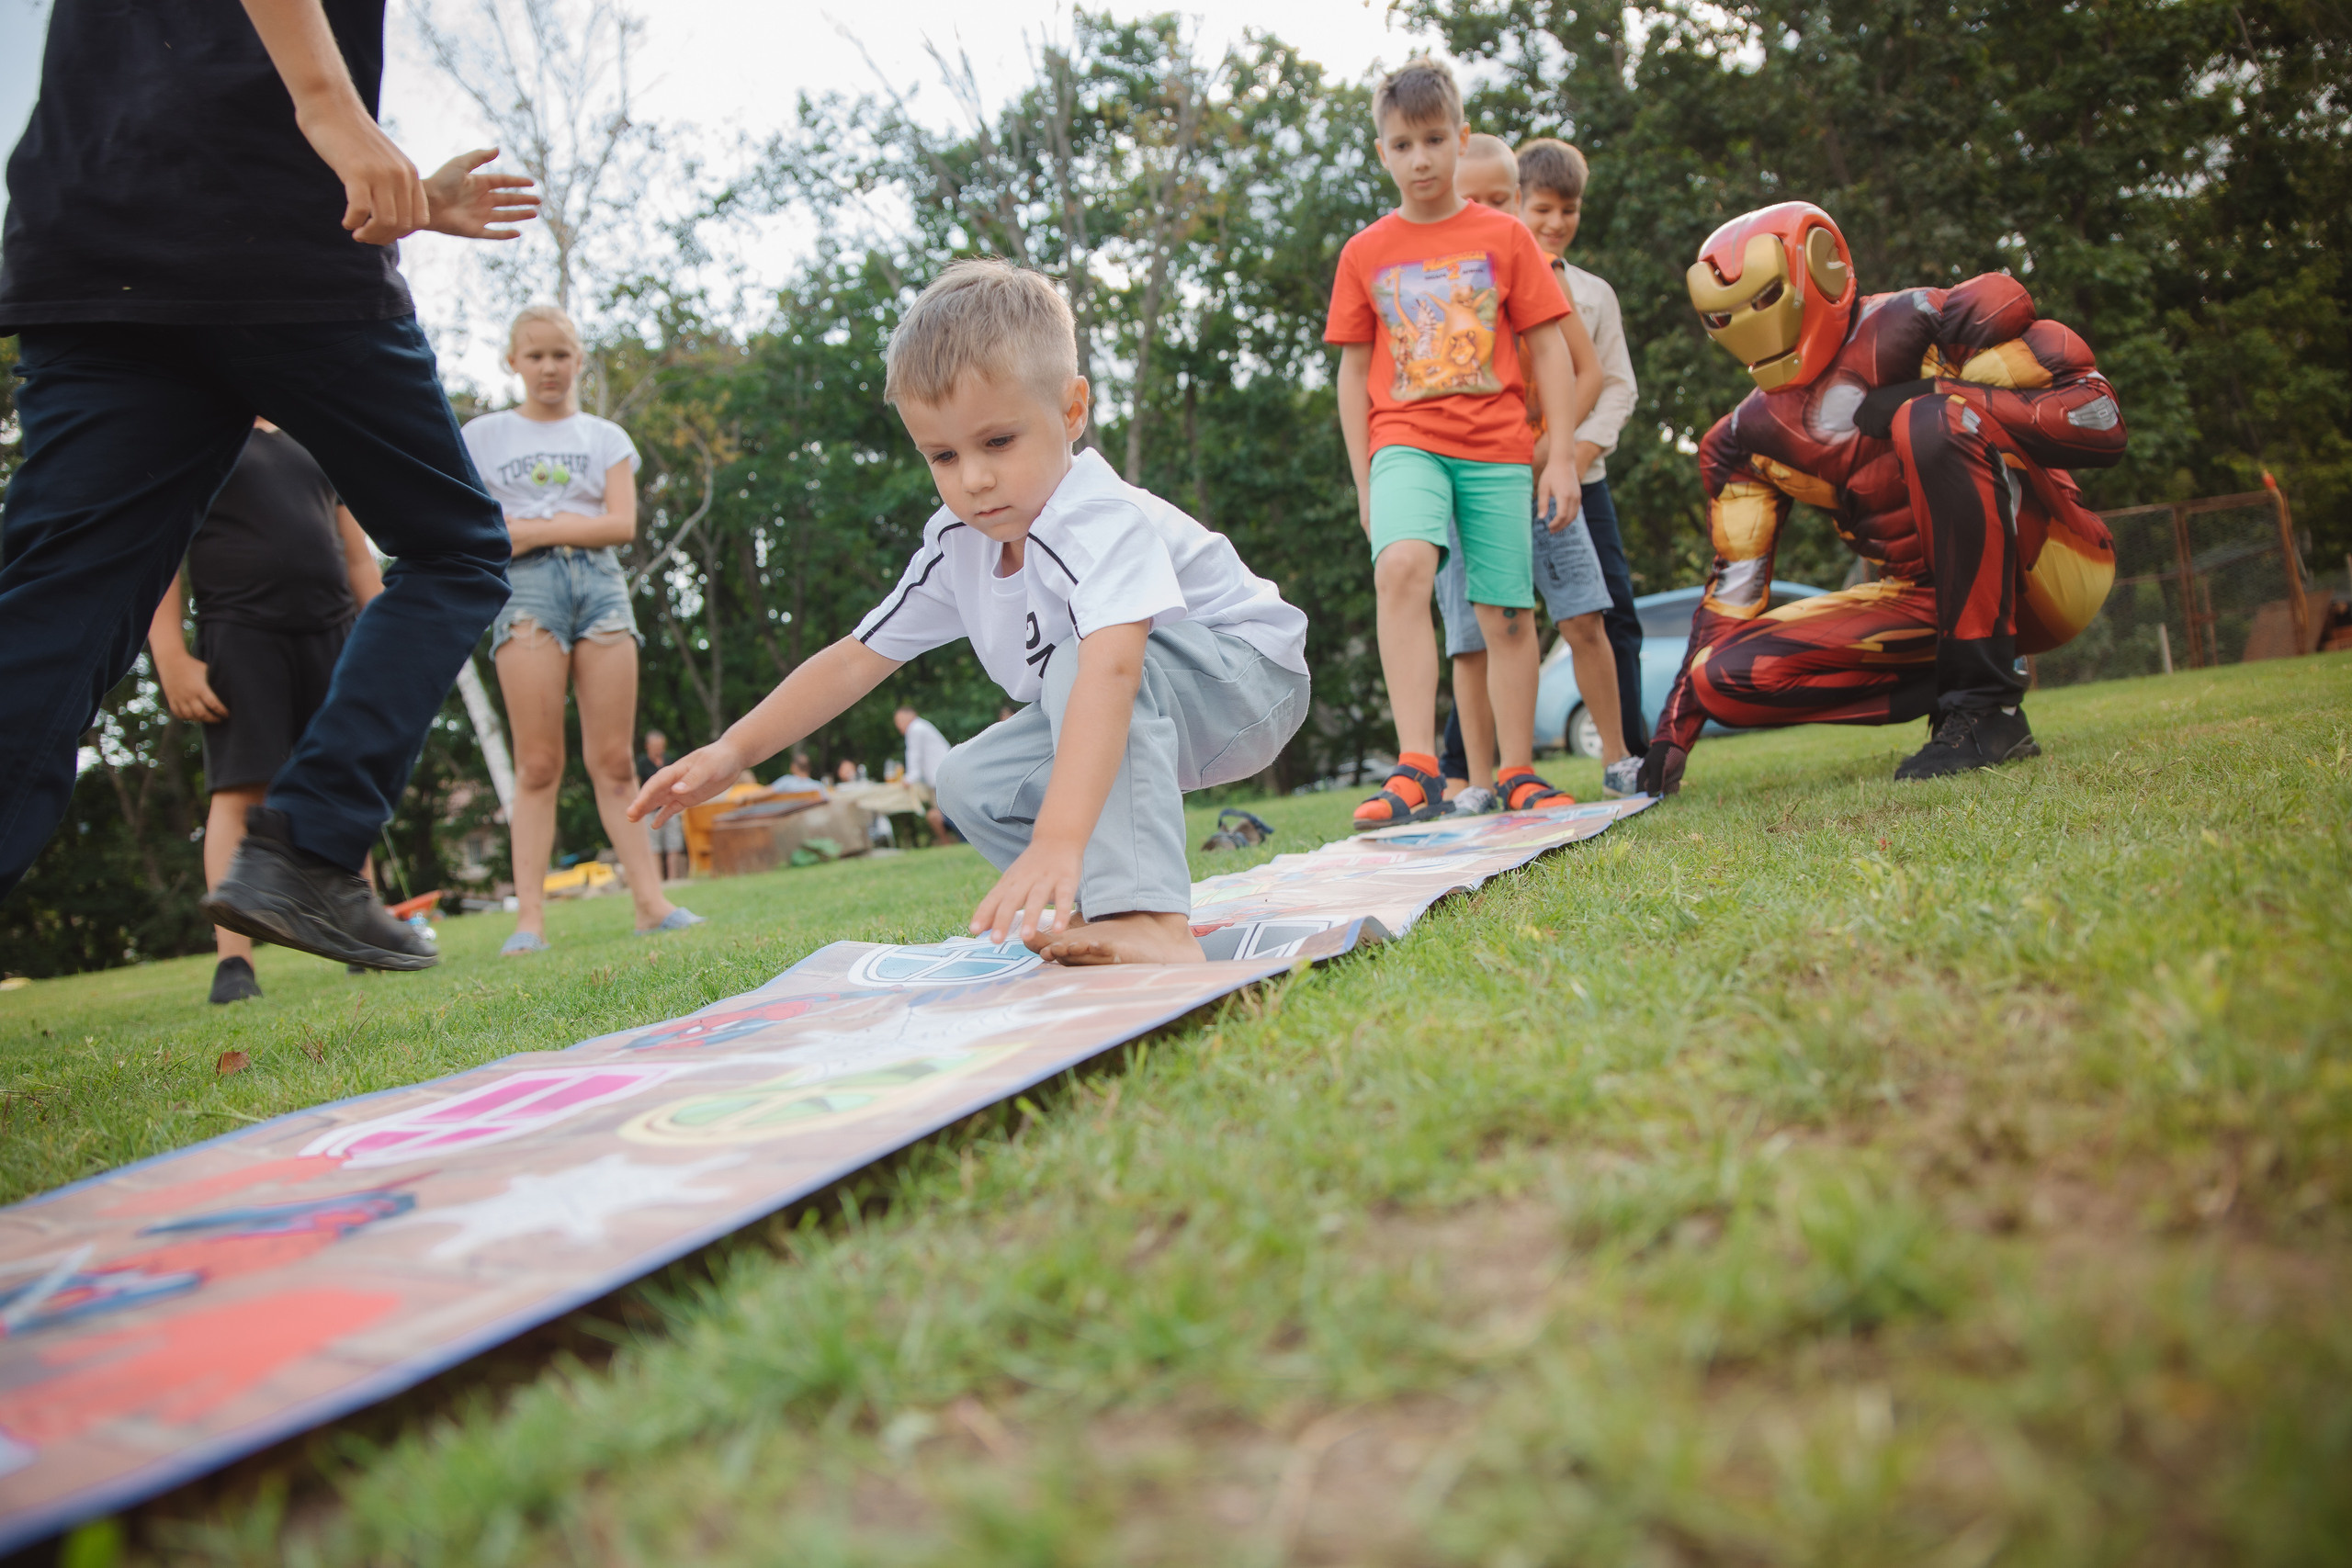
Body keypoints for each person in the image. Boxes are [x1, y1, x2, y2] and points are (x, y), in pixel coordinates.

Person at [0, 0, 537, 969]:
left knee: (53, 616)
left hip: (91, 235)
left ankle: (308, 849)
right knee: (456, 546)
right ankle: (309, 846)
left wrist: (403, 187)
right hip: (274, 242)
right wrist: (332, 109)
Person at [634, 259, 1310, 964]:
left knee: (1081, 659)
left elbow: (1111, 671)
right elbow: (855, 658)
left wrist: (1057, 836)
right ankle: (1096, 913)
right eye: (943, 456)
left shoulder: (1096, 516)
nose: (974, 479)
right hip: (1139, 702)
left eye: (997, 442)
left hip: (1249, 680)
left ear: (1072, 411)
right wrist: (732, 752)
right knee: (968, 780)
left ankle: (1149, 917)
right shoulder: (959, 543)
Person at [1640, 201, 2124, 795]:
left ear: (1822, 272)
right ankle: (1963, 685)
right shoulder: (1744, 440)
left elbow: (2100, 421)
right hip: (1921, 603)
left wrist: (1939, 392)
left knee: (1932, 422)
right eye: (1726, 314)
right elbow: (1732, 591)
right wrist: (1673, 729)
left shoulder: (1927, 321)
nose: (1750, 322)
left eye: (1765, 298)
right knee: (1721, 678)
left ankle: (1988, 706)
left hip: (2051, 563)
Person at [1325, 59, 1580, 829]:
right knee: (1401, 567)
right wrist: (1367, 482)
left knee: (1505, 613)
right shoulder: (1364, 253)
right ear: (1383, 152)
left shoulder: (1504, 236)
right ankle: (1416, 768)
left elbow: (1549, 348)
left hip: (1498, 447)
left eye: (1435, 140)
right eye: (1403, 145)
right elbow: (1354, 372)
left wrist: (1561, 451)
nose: (1422, 159)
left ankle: (1517, 771)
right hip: (1405, 441)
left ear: (1460, 139)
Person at [463, 303, 703, 955]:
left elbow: (619, 525)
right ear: (513, 361)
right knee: (538, 763)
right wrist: (546, 531)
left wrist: (533, 529)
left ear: (579, 359)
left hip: (600, 586)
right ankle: (530, 921)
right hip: (526, 592)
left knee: (616, 760)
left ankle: (652, 904)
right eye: (535, 355)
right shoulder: (483, 437)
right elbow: (480, 532)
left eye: (561, 355)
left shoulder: (605, 438)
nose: (549, 367)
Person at [148, 420, 386, 1004]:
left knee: (341, 786)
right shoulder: (199, 433)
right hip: (240, 633)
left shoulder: (316, 435)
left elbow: (357, 557)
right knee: (241, 791)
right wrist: (172, 657)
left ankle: (362, 939)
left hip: (334, 632)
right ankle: (235, 965)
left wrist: (384, 644)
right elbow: (160, 554)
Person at [1429, 134, 1626, 814]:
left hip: (1538, 477)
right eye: (1472, 197)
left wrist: (1553, 453)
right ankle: (1479, 780)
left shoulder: (1535, 273)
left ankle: (1620, 757)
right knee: (1472, 634)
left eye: (1500, 197)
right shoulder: (1445, 281)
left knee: (1584, 614)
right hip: (1469, 481)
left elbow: (1588, 370)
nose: (1487, 209)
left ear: (1516, 198)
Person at [893, 704, 958, 843]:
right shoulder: (922, 726)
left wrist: (909, 779)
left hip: (941, 780)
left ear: (909, 716)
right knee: (948, 813)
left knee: (945, 814)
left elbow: (914, 756)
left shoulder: (915, 729)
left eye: (899, 721)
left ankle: (950, 842)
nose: (898, 726)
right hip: (945, 776)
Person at [636, 728, 686, 882]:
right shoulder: (642, 763)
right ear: (648, 746)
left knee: (674, 844)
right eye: (656, 746)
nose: (659, 749)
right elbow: (637, 786)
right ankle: (657, 880)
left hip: (670, 807)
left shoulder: (669, 760)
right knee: (654, 847)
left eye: (661, 746)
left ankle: (673, 879)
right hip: (650, 811)